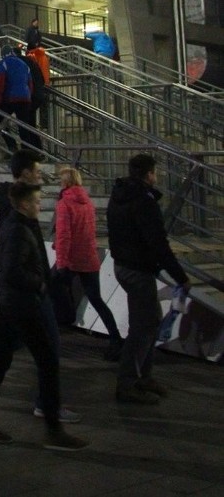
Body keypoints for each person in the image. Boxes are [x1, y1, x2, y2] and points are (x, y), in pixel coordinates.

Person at [0, 182, 89, 451]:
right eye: (36, 201)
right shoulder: (18, 230)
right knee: (47, 361)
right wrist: (40, 283)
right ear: (23, 204)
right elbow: (11, 270)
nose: (40, 205)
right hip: (21, 305)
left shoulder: (20, 225)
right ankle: (53, 430)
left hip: (12, 303)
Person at [107, 153, 190, 404]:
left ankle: (144, 375)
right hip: (138, 269)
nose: (157, 177)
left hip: (123, 265)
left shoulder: (119, 196)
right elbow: (158, 243)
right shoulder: (144, 202)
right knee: (143, 327)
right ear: (149, 174)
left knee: (150, 321)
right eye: (155, 172)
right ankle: (128, 383)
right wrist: (179, 276)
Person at [54, 166, 123, 360]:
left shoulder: (64, 203)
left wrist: (61, 261)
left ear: (65, 182)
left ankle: (49, 336)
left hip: (70, 259)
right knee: (97, 299)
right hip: (89, 258)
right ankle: (116, 338)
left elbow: (64, 235)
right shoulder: (87, 202)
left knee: (49, 293)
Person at [0, 44, 35, 152]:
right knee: (23, 126)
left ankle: (12, 147)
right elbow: (30, 83)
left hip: (10, 98)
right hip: (25, 98)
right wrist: (28, 95)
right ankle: (27, 152)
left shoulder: (3, 64)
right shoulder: (24, 64)